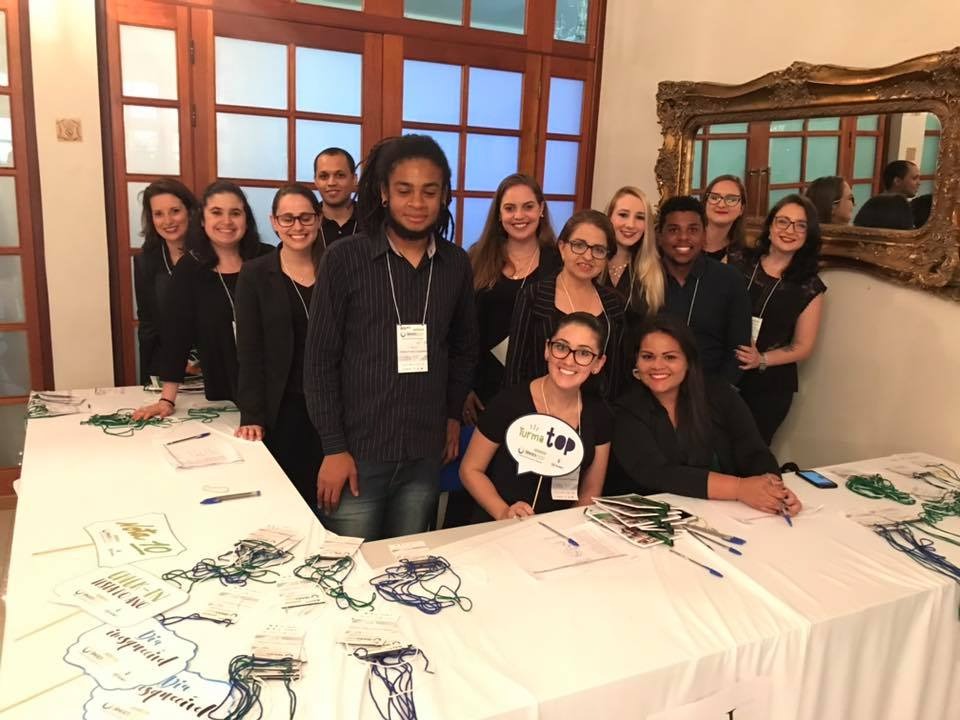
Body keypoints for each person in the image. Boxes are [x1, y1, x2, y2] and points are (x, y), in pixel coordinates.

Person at [304, 134, 478, 541]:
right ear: (384, 193)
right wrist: (332, 447)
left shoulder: (455, 264)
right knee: (347, 569)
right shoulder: (345, 259)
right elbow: (319, 362)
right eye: (404, 190)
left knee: (408, 566)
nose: (417, 203)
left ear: (444, 197)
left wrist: (452, 415)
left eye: (429, 192)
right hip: (357, 455)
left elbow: (464, 349)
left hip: (425, 453)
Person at [608, 315, 801, 516]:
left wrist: (774, 490)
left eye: (670, 357)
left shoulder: (719, 393)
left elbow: (753, 450)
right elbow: (659, 473)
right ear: (636, 362)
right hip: (658, 516)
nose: (657, 365)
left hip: (729, 513)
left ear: (688, 361)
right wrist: (740, 488)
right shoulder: (624, 409)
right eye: (648, 356)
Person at [133, 181, 273, 419]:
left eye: (235, 213)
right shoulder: (189, 268)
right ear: (202, 220)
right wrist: (167, 398)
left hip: (274, 384)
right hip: (225, 388)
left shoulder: (269, 259)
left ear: (246, 219)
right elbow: (177, 336)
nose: (226, 222)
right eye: (216, 213)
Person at [460, 312, 610, 520]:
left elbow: (590, 491)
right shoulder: (508, 402)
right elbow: (470, 470)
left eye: (584, 353)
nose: (569, 360)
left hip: (559, 536)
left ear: (598, 363)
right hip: (497, 528)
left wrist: (569, 530)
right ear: (547, 349)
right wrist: (503, 512)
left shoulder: (598, 413)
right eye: (561, 347)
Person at [235, 184, 325, 510]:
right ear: (273, 222)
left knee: (329, 499)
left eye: (305, 217)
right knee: (285, 499)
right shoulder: (255, 274)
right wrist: (252, 414)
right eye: (287, 219)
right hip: (281, 407)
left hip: (332, 407)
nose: (297, 227)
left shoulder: (337, 268)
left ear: (319, 219)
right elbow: (249, 350)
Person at [729, 194, 826, 445]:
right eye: (783, 221)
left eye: (800, 225)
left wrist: (761, 359)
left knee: (749, 455)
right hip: (720, 371)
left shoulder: (809, 286)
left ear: (808, 235)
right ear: (770, 227)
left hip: (768, 386)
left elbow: (802, 346)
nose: (789, 230)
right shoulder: (737, 261)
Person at [463, 174, 560, 426]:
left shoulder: (558, 262)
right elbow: (462, 327)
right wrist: (464, 388)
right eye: (510, 208)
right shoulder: (477, 257)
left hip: (539, 387)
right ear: (498, 214)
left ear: (541, 210)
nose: (519, 216)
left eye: (528, 207)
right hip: (483, 387)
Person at [504, 210, 625, 400]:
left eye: (599, 250)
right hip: (538, 412)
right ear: (562, 247)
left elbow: (615, 373)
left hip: (595, 415)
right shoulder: (533, 296)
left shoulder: (613, 303)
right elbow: (515, 369)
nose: (588, 256)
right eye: (579, 245)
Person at [657, 195, 751, 385]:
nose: (683, 237)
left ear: (704, 235)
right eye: (674, 230)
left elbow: (739, 351)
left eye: (693, 230)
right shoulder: (645, 279)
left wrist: (716, 397)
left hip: (711, 393)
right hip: (650, 391)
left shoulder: (730, 280)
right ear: (660, 235)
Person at [133, 179, 199, 385]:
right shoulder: (146, 261)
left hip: (214, 366)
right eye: (158, 214)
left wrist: (198, 362)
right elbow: (148, 324)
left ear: (189, 211)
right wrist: (148, 377)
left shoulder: (210, 255)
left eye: (175, 211)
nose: (168, 220)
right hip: (166, 369)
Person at [603, 186, 664, 318]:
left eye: (640, 217)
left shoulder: (656, 271)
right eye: (623, 215)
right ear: (609, 217)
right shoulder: (590, 262)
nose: (631, 224)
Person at [314, 147, 359, 246]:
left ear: (354, 179)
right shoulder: (307, 221)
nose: (331, 183)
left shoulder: (372, 220)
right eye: (324, 176)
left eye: (340, 175)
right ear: (315, 181)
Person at [701, 175, 747, 261]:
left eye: (731, 199)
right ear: (705, 203)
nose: (721, 205)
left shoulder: (744, 256)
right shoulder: (685, 240)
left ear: (741, 209)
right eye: (714, 198)